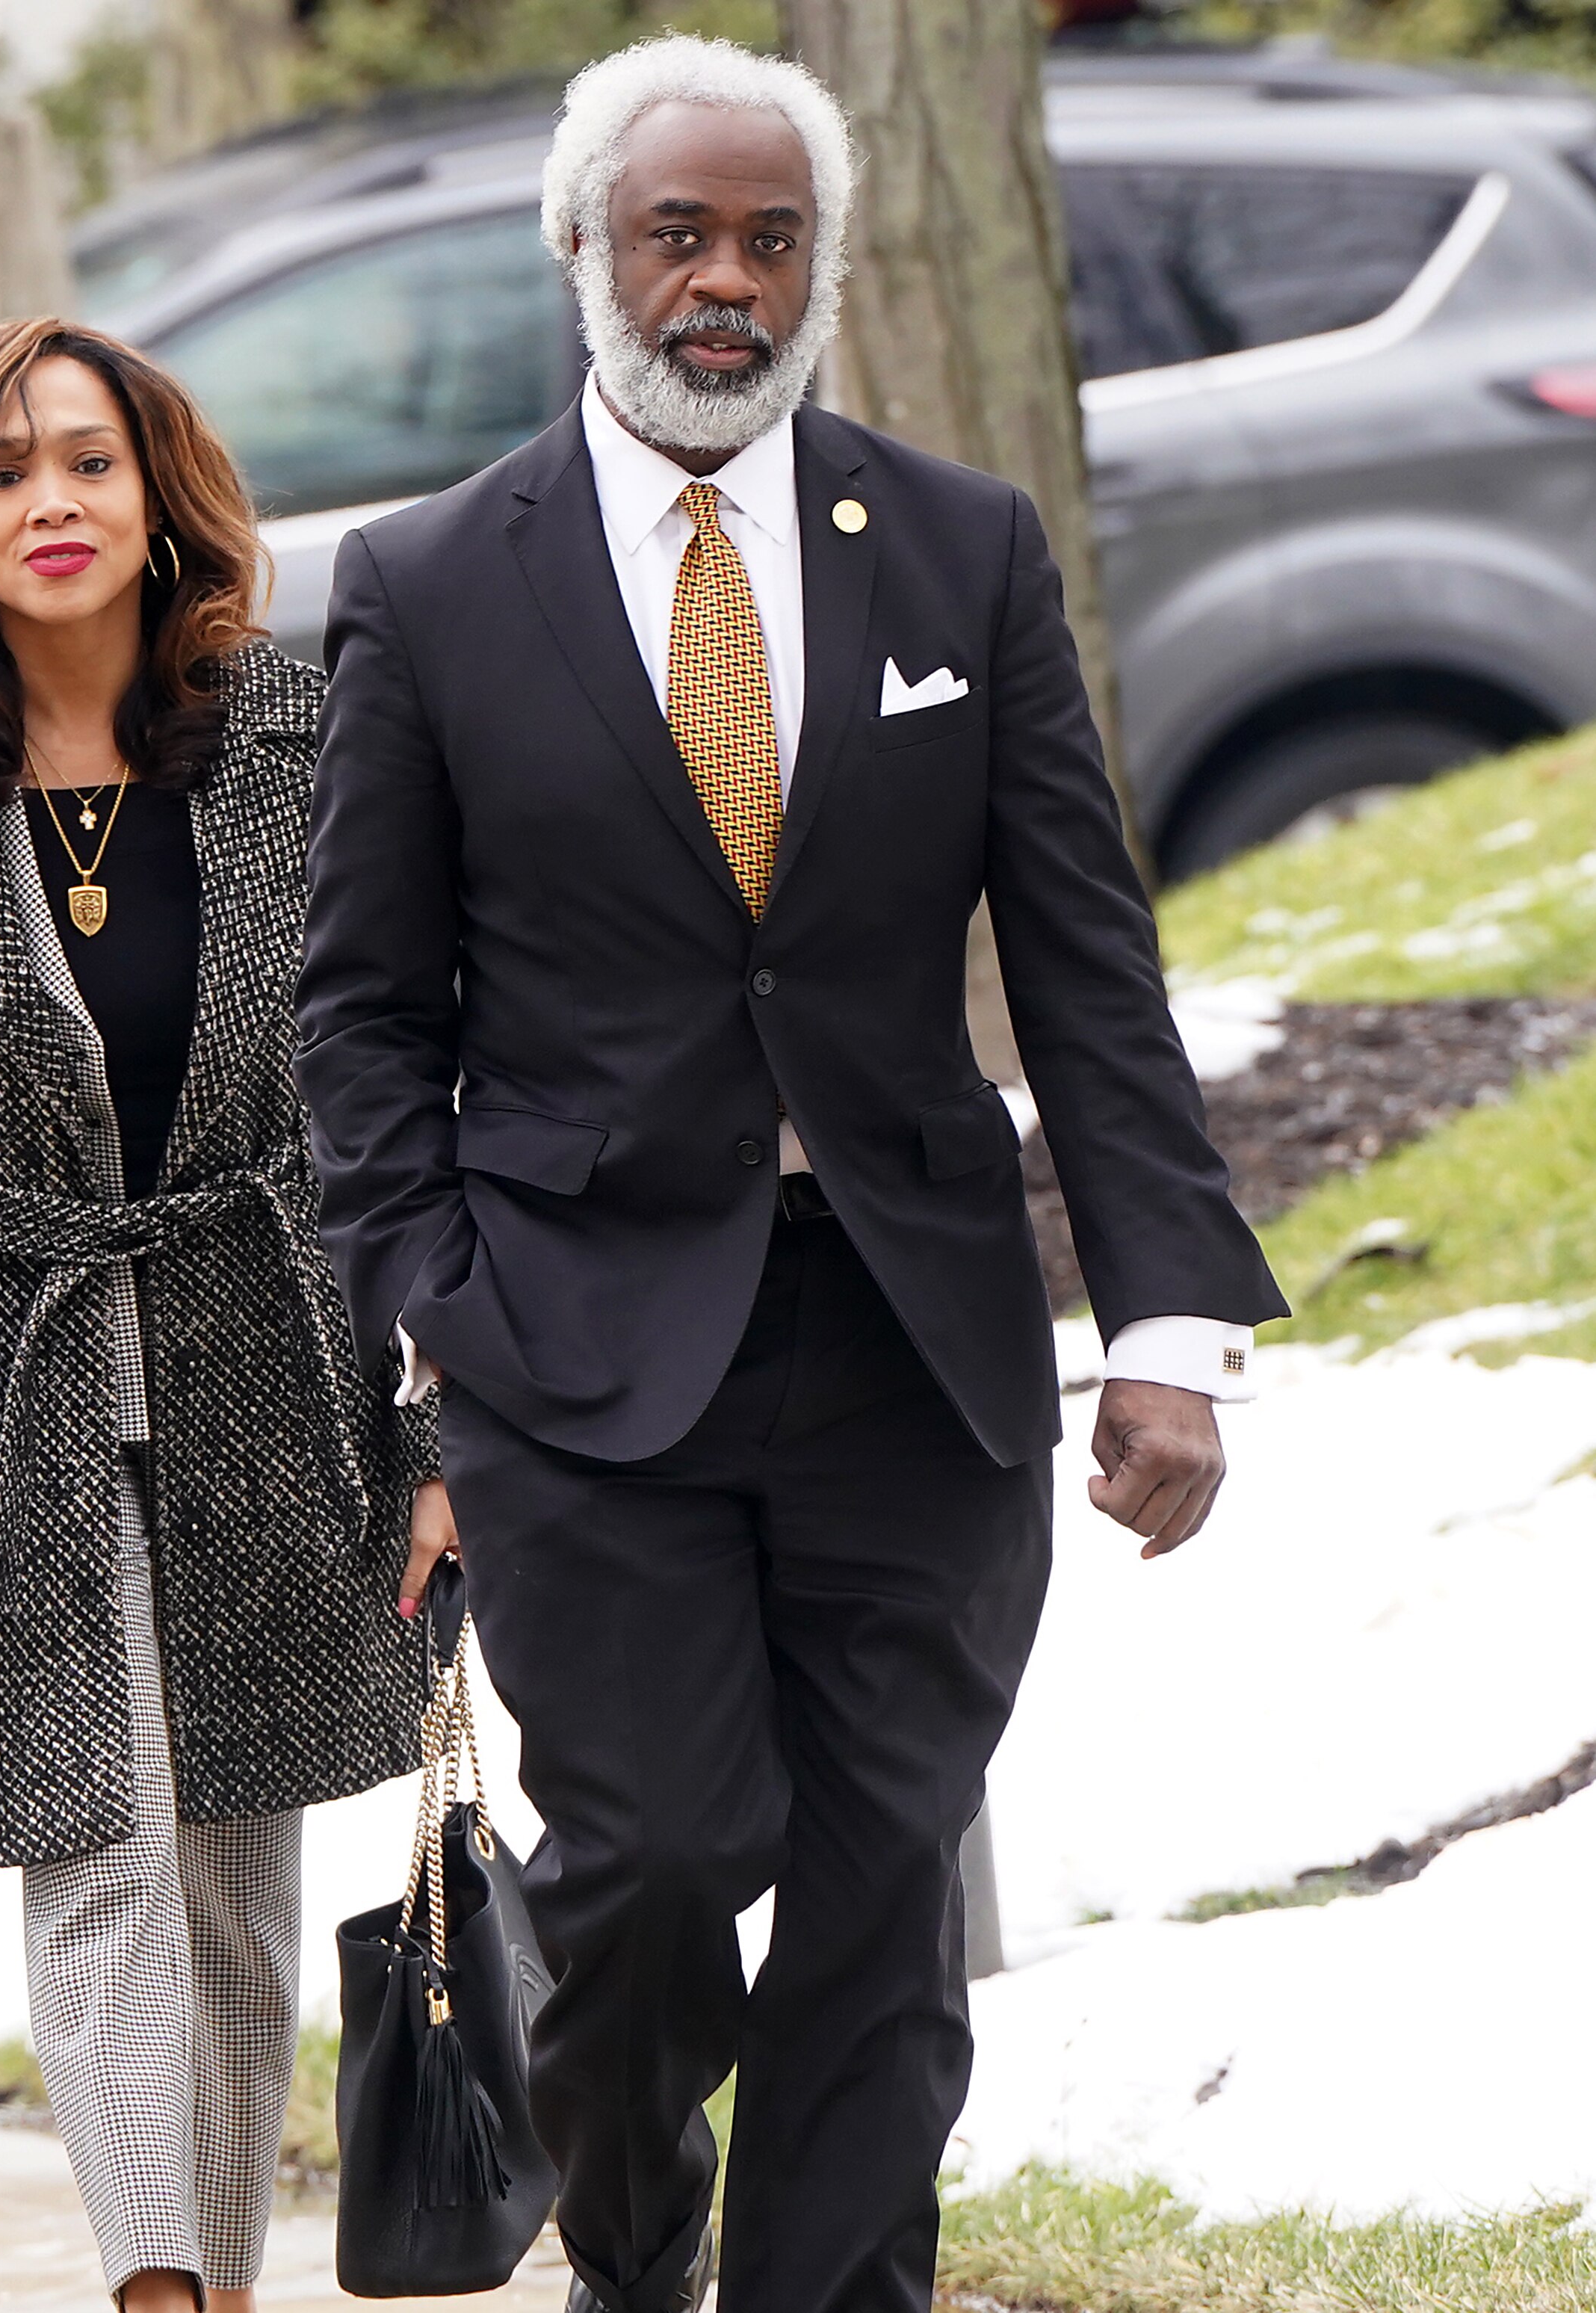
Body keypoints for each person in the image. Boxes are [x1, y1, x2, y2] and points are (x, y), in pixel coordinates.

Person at [297, 37, 1287, 2313]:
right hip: (572, 1346)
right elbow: (359, 1016)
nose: (723, 284)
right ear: (581, 254)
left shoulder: (961, 545)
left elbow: (1086, 968)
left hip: (911, 1338)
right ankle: (633, 2242)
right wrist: (431, 1302)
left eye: (769, 241)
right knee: (651, 1856)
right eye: (678, 235)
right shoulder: (434, 586)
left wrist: (1157, 1331)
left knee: (877, 1884)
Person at [0, 318, 447, 2313]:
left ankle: (214, 2281)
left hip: (279, 1365)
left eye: (84, 461)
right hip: (6, 1398)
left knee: (236, 1899)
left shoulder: (307, 737)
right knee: (98, 1868)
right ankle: (155, 2289)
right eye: (0, 473)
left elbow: (410, 1093)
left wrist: (433, 1436)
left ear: (156, 496)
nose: (47, 503)